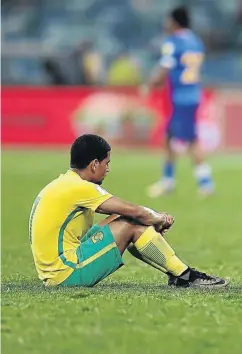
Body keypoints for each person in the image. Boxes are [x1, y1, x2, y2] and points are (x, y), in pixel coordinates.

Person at [29, 134, 227, 288]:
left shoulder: (64, 182)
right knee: (132, 221)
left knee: (124, 218)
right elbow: (136, 212)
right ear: (94, 164)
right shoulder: (81, 187)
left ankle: (180, 276)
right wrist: (158, 219)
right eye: (107, 163)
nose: (108, 169)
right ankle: (185, 276)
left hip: (55, 270)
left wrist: (149, 219)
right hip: (66, 273)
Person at [141, 6, 214, 198]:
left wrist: (149, 84)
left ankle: (205, 183)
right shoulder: (196, 41)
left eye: (168, 20)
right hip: (193, 94)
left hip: (181, 98)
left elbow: (165, 66)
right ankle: (168, 181)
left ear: (174, 22)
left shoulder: (174, 41)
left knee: (190, 141)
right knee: (168, 137)